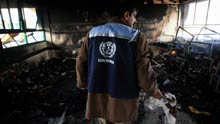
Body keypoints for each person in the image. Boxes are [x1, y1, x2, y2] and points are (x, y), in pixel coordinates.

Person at [76, 1, 163, 124]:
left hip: (98, 95)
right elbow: (143, 69)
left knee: (103, 119)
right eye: (134, 16)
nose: (135, 21)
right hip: (123, 98)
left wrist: (82, 82)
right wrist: (153, 90)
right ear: (127, 15)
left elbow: (81, 61)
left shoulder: (92, 33)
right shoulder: (137, 37)